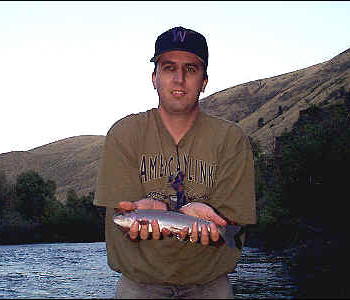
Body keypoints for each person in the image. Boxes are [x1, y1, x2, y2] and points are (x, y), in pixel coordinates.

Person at [94, 26, 256, 299]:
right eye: (169, 68)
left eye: (191, 69)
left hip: (211, 285)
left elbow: (235, 221)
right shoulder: (123, 134)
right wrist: (141, 213)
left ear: (204, 81)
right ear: (154, 78)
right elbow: (118, 219)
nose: (179, 79)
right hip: (138, 286)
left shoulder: (231, 139)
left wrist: (215, 223)